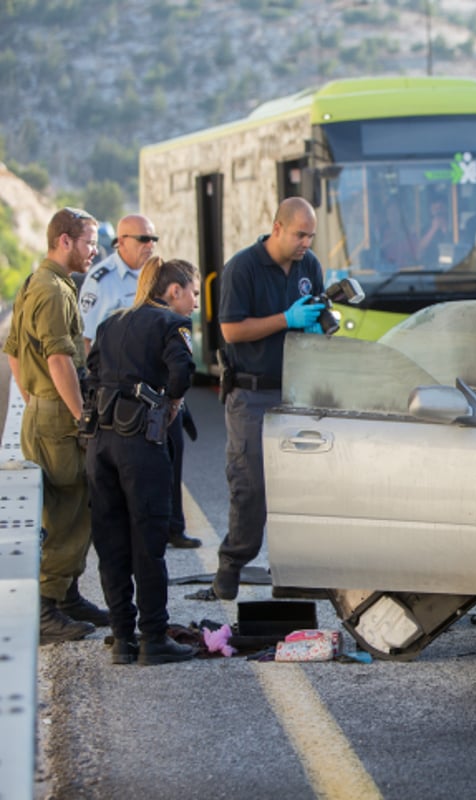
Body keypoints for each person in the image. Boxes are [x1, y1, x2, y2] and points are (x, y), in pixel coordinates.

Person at [84, 257, 200, 665]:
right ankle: (153, 637)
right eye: (194, 293)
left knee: (111, 542)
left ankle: (122, 637)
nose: (196, 303)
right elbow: (183, 371)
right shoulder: (172, 325)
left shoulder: (111, 322)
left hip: (101, 443)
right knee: (147, 541)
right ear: (173, 291)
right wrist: (171, 401)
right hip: (141, 443)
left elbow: (92, 372)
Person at [3, 208, 110, 642]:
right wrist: (78, 414)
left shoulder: (35, 282)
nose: (94, 251)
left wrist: (34, 401)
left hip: (44, 408)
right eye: (88, 242)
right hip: (58, 413)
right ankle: (46, 608)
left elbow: (12, 351)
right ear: (64, 241)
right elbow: (59, 359)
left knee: (70, 505)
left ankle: (66, 596)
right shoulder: (53, 291)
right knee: (68, 510)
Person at [211, 197, 325, 600]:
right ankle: (232, 564)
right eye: (299, 234)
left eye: (311, 235)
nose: (305, 243)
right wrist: (286, 320)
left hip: (297, 387)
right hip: (253, 393)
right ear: (277, 228)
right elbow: (231, 330)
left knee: (299, 485)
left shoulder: (309, 266)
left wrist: (317, 327)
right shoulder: (242, 268)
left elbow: (319, 311)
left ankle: (291, 571)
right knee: (251, 485)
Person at [79, 215, 200, 549]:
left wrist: (173, 399)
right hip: (123, 394)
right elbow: (91, 340)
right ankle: (142, 532)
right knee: (132, 468)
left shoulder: (155, 276)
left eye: (153, 239)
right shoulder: (102, 279)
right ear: (122, 240)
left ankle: (172, 524)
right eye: (143, 239)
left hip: (158, 387)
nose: (150, 245)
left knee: (171, 453)